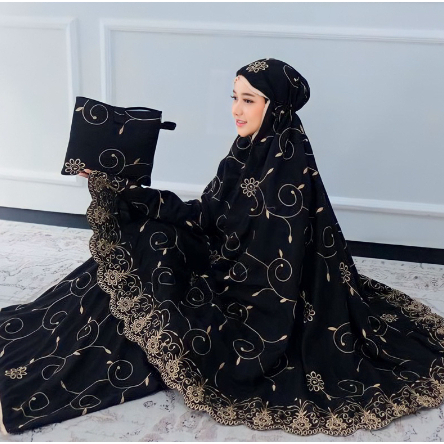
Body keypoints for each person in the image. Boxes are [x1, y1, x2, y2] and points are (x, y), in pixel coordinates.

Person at [1, 58, 444, 438]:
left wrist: (198, 273)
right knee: (147, 240)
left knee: (156, 264)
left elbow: (273, 273)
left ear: (274, 106)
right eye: (234, 97)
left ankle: (62, 373)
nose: (236, 109)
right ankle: (53, 341)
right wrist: (127, 192)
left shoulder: (286, 172)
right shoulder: (245, 151)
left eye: (248, 99)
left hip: (254, 296)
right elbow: (207, 215)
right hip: (224, 259)